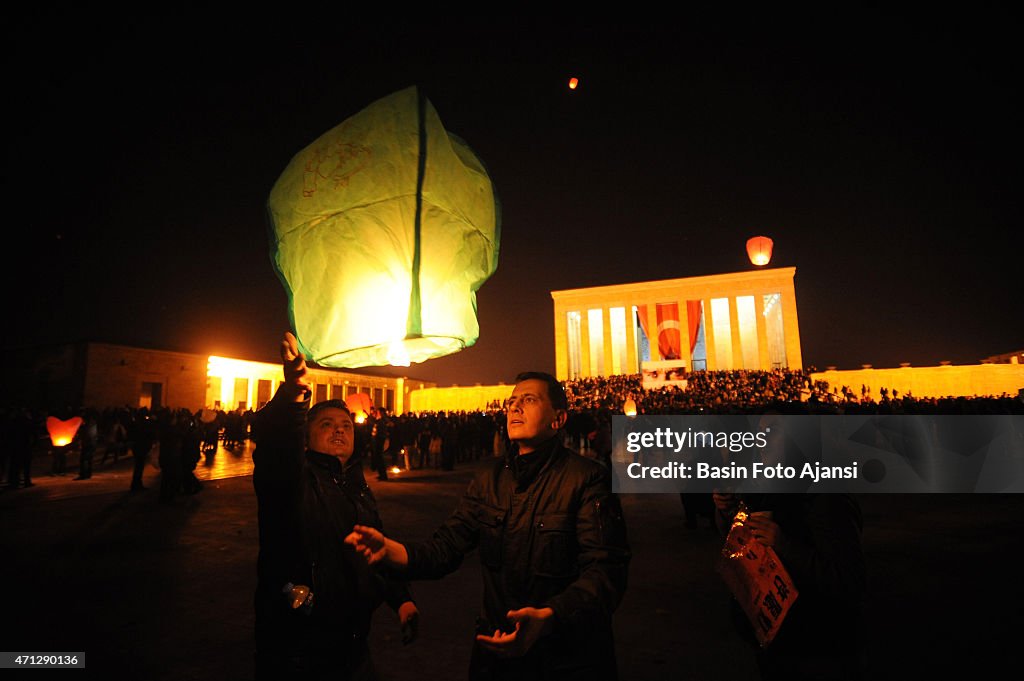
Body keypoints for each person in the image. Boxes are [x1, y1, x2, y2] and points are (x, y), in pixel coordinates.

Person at [346, 371, 631, 680]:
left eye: (529, 400)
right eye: (512, 401)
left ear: (558, 419)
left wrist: (551, 616)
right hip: (496, 652)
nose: (515, 407)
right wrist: (393, 551)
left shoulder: (587, 479)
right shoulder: (489, 478)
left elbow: (605, 570)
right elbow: (448, 545)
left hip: (567, 658)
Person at [252, 332, 419, 680]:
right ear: (306, 435)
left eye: (345, 426)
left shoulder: (354, 484)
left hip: (354, 643)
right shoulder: (293, 480)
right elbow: (276, 446)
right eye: (326, 425)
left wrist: (400, 598)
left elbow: (375, 547)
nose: (339, 431)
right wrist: (294, 395)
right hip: (299, 650)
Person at [712, 491, 866, 680]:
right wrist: (728, 510)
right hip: (778, 639)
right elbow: (741, 532)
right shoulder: (769, 490)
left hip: (818, 642)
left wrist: (783, 543)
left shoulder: (829, 501)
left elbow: (847, 579)